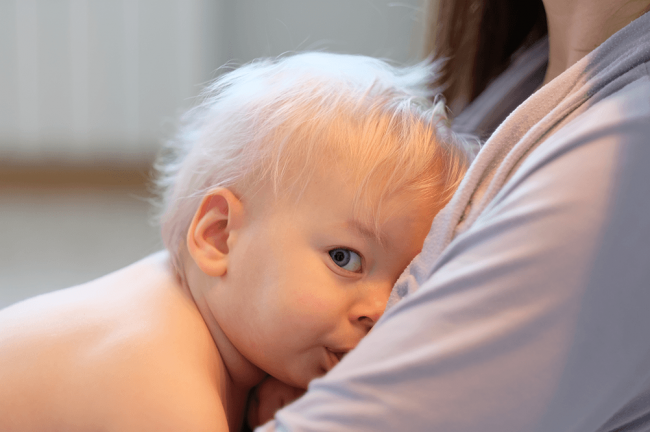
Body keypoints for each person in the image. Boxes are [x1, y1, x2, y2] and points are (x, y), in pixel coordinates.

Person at [0, 52, 472, 432]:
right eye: (345, 259)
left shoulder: (216, 316)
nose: (380, 309)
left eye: (403, 281)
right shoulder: (161, 383)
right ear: (218, 236)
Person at [256, 0, 650, 431]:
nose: (377, 309)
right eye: (343, 258)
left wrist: (179, 339)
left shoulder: (625, 155)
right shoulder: (529, 72)